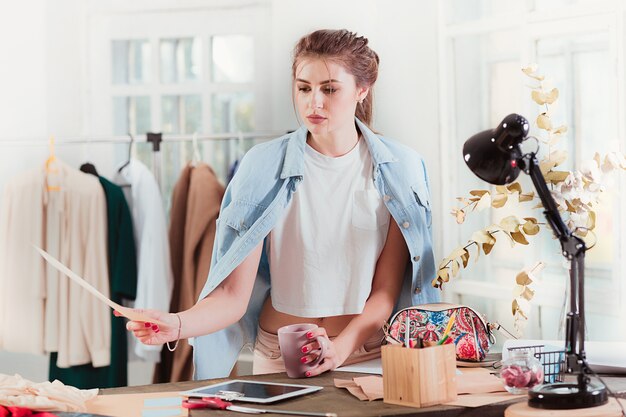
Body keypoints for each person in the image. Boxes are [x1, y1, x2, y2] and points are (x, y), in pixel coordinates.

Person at [121, 29, 439, 380]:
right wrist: (176, 324)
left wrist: (340, 349)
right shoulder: (260, 167)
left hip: (365, 355)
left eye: (329, 89)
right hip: (280, 357)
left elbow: (384, 294)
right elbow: (231, 294)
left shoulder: (402, 169)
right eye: (304, 88)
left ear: (362, 89)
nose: (313, 103)